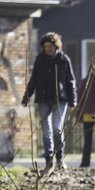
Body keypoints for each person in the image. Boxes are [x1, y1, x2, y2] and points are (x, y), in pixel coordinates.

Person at [21, 32, 77, 173]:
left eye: (50, 46)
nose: (48, 49)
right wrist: (26, 97)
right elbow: (33, 80)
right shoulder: (40, 60)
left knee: (57, 128)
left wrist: (72, 100)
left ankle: (59, 158)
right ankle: (49, 161)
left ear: (55, 45)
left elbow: (70, 81)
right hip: (43, 99)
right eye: (45, 46)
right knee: (46, 132)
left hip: (61, 100)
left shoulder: (64, 60)